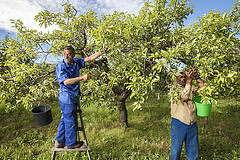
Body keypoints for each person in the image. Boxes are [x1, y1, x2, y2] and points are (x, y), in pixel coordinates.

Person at [55, 46, 105, 149]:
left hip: (73, 95)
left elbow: (90, 58)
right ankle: (70, 144)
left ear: (73, 55)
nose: (66, 56)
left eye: (68, 54)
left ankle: (59, 141)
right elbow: (66, 81)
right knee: (70, 120)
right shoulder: (61, 66)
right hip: (66, 97)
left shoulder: (76, 61)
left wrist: (103, 51)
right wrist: (82, 77)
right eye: (65, 54)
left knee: (66, 118)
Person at [170, 68, 204, 160]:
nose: (183, 79)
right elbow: (184, 97)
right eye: (181, 77)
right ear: (176, 78)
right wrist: (189, 81)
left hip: (192, 122)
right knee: (176, 149)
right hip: (179, 122)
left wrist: (197, 78)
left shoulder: (190, 87)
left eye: (185, 77)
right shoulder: (174, 89)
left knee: (193, 149)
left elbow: (203, 91)